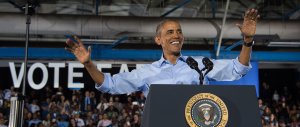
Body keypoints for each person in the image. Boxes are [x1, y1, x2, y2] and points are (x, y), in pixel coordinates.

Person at [66, 9, 260, 96]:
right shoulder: (146, 73)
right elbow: (110, 84)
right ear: (158, 40)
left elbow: (238, 69)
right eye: (170, 32)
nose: (176, 35)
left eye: (179, 31)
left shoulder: (201, 64)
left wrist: (248, 40)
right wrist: (88, 64)